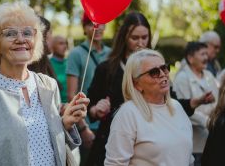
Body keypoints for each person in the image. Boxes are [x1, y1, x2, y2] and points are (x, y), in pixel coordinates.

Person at [0, 2, 89, 165]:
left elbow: (47, 145)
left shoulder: (48, 85)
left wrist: (65, 123)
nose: (21, 39)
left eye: (27, 33)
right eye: (10, 34)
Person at [87, 12, 212, 165]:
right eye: (135, 37)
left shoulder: (160, 72)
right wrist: (96, 109)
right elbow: (91, 104)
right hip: (115, 138)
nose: (140, 42)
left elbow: (170, 102)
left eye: (144, 37)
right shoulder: (107, 69)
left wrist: (194, 102)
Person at [104, 49, 193, 166]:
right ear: (136, 84)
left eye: (164, 68)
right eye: (154, 72)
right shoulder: (128, 114)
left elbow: (188, 158)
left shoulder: (176, 107)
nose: (162, 74)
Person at [66, 13, 111, 165]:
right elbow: (71, 94)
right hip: (87, 125)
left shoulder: (112, 53)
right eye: (91, 24)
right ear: (84, 28)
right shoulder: (76, 54)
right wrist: (83, 128)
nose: (97, 28)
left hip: (110, 123)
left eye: (100, 24)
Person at [173, 41, 219, 166]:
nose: (206, 58)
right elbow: (183, 109)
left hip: (211, 139)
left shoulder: (209, 75)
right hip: (194, 144)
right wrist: (208, 122)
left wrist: (216, 117)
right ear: (190, 58)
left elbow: (217, 101)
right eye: (202, 54)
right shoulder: (182, 78)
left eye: (206, 54)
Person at [50, 35, 69, 103]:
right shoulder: (48, 65)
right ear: (53, 46)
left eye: (66, 43)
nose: (65, 46)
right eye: (61, 43)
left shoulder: (70, 63)